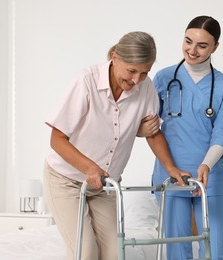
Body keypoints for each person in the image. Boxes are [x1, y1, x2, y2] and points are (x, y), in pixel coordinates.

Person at [42, 31, 189, 260]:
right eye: (131, 71)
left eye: (144, 73)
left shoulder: (145, 88)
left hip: (106, 185)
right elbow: (57, 139)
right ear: (114, 57)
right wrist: (90, 168)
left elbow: (153, 133)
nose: (136, 80)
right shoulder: (87, 81)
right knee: (86, 252)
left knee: (114, 254)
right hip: (66, 180)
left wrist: (171, 168)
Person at [144, 16, 223, 259]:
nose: (192, 50)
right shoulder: (163, 78)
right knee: (177, 249)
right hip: (172, 175)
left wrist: (206, 164)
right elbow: (148, 126)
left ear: (215, 47)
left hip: (210, 175)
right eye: (187, 41)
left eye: (202, 45)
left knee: (215, 250)